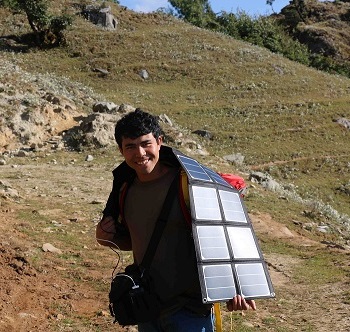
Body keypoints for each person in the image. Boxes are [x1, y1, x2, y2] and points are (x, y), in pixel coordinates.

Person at [96, 109, 256, 331]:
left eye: (146, 143)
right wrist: (107, 237)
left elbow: (224, 233)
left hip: (189, 309)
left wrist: (237, 287)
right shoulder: (124, 188)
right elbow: (135, 240)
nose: (140, 153)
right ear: (120, 150)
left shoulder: (188, 183)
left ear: (160, 141)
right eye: (130, 146)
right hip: (147, 306)